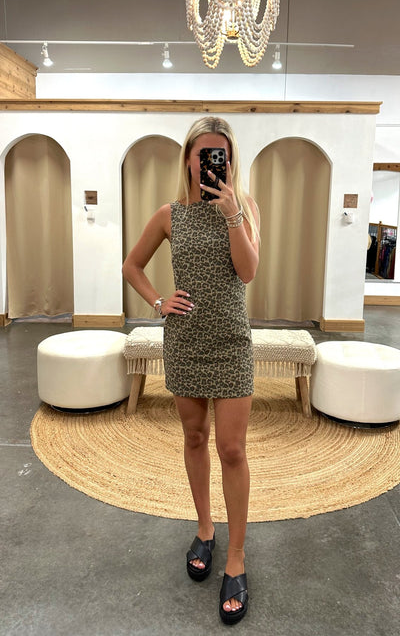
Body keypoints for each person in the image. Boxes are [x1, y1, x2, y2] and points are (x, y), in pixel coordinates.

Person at [122, 116, 260, 625]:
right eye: (203, 154)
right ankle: (205, 528)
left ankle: (236, 557)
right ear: (188, 159)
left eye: (220, 154)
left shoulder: (245, 207)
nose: (211, 163)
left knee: (233, 449)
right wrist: (159, 301)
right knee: (195, 437)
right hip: (185, 341)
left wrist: (232, 215)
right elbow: (131, 266)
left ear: (230, 160)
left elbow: (248, 272)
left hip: (231, 342)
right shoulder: (169, 214)